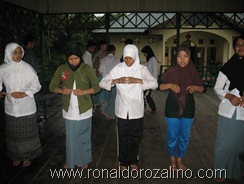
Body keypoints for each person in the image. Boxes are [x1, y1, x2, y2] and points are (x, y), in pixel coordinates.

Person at [99, 44, 158, 171]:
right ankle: (123, 161)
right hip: (121, 109)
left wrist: (138, 81)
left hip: (136, 109)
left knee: (135, 136)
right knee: (122, 136)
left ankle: (133, 160)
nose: (128, 61)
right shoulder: (118, 68)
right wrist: (116, 81)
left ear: (135, 57)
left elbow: (154, 84)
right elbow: (102, 82)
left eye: (130, 58)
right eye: (125, 58)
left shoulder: (142, 70)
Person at [49, 43, 100, 169]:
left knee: (84, 135)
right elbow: (51, 86)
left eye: (75, 59)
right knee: (71, 136)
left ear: (80, 57)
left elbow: (97, 87)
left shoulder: (87, 69)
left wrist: (84, 91)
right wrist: (61, 90)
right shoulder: (62, 69)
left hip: (85, 107)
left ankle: (84, 160)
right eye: (70, 59)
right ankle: (71, 160)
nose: (73, 62)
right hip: (69, 108)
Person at [159, 45, 206, 171]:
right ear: (176, 57)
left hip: (188, 109)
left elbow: (203, 88)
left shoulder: (193, 71)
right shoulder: (171, 70)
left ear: (190, 57)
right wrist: (170, 85)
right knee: (172, 135)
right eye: (179, 56)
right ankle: (172, 158)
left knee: (184, 136)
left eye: (185, 56)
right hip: (172, 108)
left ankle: (179, 159)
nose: (182, 59)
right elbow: (159, 85)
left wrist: (195, 88)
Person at [0, 42, 42, 167]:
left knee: (27, 134)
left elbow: (36, 85)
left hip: (26, 106)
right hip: (10, 107)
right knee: (13, 135)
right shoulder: (3, 69)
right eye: (15, 52)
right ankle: (15, 156)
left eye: (20, 52)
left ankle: (27, 157)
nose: (19, 55)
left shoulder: (26, 68)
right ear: (8, 53)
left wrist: (24, 94)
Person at [214, 35, 244, 182]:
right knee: (225, 143)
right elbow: (217, 88)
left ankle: (238, 171)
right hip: (228, 111)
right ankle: (221, 171)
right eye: (238, 45)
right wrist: (229, 96)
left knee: (240, 144)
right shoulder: (227, 68)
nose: (241, 47)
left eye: (243, 45)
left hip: (243, 112)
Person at [99, 44, 120, 119]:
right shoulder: (117, 60)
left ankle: (111, 114)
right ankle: (108, 111)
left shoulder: (103, 60)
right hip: (113, 82)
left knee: (107, 98)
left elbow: (100, 71)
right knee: (113, 98)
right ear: (114, 51)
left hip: (105, 81)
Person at [141, 45, 158, 112]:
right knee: (145, 94)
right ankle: (151, 107)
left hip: (151, 81)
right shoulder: (149, 60)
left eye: (144, 53)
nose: (144, 55)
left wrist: (153, 82)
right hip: (147, 81)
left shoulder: (153, 59)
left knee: (146, 95)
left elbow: (154, 71)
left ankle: (152, 108)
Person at [92, 40, 108, 108]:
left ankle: (99, 102)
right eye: (105, 46)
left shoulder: (105, 54)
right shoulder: (97, 54)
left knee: (102, 89)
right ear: (101, 46)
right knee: (97, 89)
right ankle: (95, 102)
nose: (106, 47)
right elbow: (93, 63)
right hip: (97, 74)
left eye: (106, 46)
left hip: (104, 74)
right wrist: (95, 70)